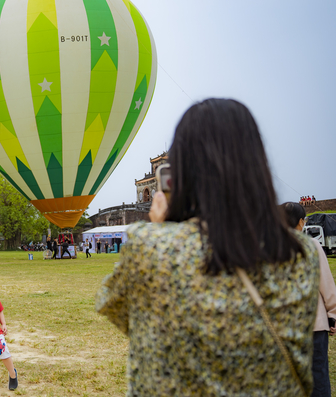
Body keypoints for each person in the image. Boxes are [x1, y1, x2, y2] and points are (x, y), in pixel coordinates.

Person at [96, 99, 319, 396]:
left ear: (181, 172)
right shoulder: (303, 253)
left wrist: (164, 226)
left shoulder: (150, 246)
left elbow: (120, 311)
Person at [282, 202, 336, 397]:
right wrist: (333, 314)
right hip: (314, 325)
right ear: (300, 222)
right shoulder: (311, 245)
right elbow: (326, 283)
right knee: (318, 379)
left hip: (283, 328)